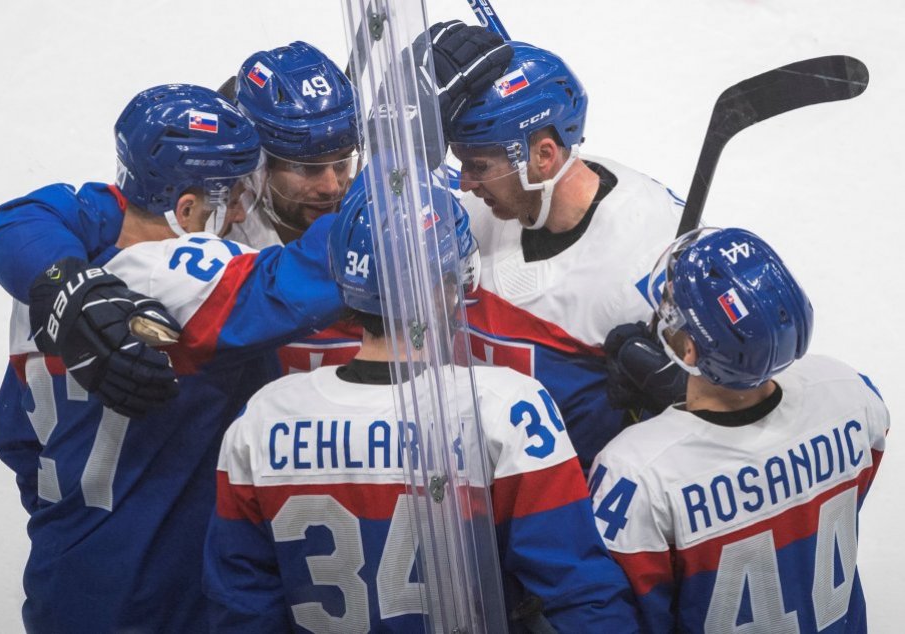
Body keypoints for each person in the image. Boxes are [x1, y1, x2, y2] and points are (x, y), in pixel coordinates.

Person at [203, 171, 641, 632]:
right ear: (446, 288)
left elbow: (240, 602)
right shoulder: (506, 407)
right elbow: (581, 592)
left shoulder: (263, 416)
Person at [0, 30, 512, 406]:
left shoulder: (393, 199)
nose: (331, 185)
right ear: (252, 163)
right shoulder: (184, 231)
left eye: (341, 162)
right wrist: (406, 159)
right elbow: (21, 220)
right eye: (305, 168)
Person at [0, 84, 346, 633]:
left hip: (64, 575)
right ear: (186, 208)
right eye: (233, 197)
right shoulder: (179, 276)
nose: (242, 212)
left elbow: (12, 434)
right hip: (163, 590)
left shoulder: (50, 280)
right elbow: (307, 278)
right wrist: (399, 172)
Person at [588, 227, 889, 633]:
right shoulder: (850, 393)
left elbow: (622, 615)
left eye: (671, 306)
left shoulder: (636, 473)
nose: (663, 309)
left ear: (691, 350)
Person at [447, 40, 685, 471]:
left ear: (543, 155)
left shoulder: (651, 250)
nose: (464, 183)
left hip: (580, 509)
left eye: (478, 166)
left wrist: (680, 396)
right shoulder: (477, 211)